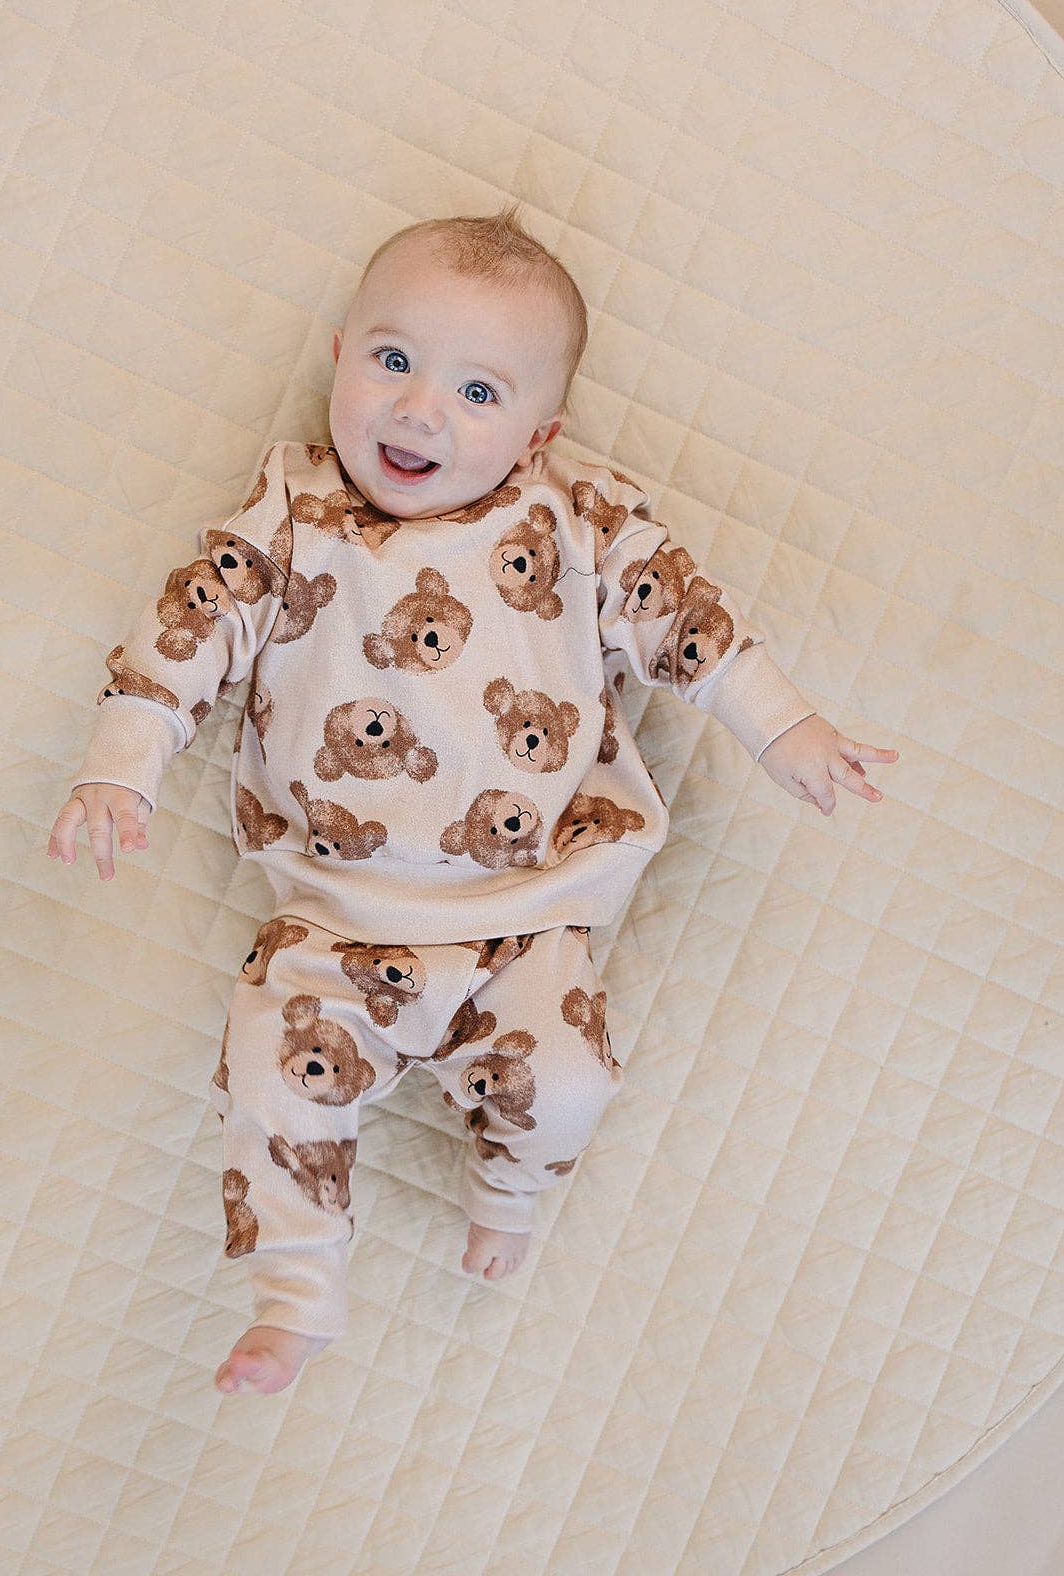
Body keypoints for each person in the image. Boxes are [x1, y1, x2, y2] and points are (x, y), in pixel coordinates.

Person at [47, 202, 899, 1396]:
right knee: (271, 1074)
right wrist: (119, 759)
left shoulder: (577, 516)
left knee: (570, 1081)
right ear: (338, 355)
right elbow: (188, 627)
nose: (418, 411)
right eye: (392, 359)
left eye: (477, 392)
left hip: (527, 917)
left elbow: (681, 613)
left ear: (539, 435)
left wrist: (783, 725)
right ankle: (296, 1291)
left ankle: (508, 1187)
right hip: (331, 920)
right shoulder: (290, 514)